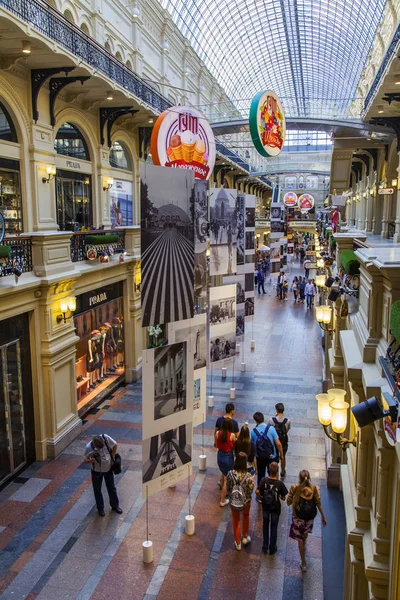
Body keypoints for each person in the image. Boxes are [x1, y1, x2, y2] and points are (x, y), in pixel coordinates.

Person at [287, 470, 327, 572]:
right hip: (309, 519)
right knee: (304, 537)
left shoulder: (295, 488)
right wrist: (323, 516)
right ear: (309, 478)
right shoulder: (313, 488)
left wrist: (292, 496)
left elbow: (288, 502)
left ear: (299, 478)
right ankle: (304, 542)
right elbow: (318, 503)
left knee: (300, 540)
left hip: (298, 519)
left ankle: (303, 562)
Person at [84, 435, 123, 516]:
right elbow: (85, 459)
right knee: (97, 490)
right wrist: (89, 460)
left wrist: (112, 456)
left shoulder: (105, 438)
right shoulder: (88, 447)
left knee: (111, 488)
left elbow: (115, 445)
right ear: (94, 445)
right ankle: (100, 508)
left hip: (108, 469)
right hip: (96, 471)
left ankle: (115, 505)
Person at [251, 412, 285, 501]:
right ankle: (273, 492)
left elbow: (253, 447)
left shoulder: (253, 432)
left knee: (261, 476)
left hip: (260, 457)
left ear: (256, 420)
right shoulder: (271, 429)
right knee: (272, 474)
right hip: (271, 456)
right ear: (263, 418)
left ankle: (261, 495)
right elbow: (278, 444)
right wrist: (281, 455)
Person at [257, 461, 288, 554]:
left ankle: (265, 545)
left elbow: (257, 491)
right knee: (274, 527)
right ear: (277, 471)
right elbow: (283, 497)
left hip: (266, 507)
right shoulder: (279, 484)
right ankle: (272, 547)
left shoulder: (263, 480)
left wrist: (262, 497)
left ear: (268, 471)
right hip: (275, 508)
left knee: (265, 525)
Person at [226, 452, 254, 550]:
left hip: (234, 500)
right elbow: (251, 489)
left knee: (236, 520)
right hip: (246, 501)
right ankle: (245, 536)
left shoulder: (230, 473)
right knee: (246, 516)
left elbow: (228, 488)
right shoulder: (248, 476)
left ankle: (238, 543)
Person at [215, 418, 236, 507]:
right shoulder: (232, 435)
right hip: (228, 456)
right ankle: (222, 500)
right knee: (227, 479)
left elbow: (216, 444)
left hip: (220, 455)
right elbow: (234, 446)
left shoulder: (217, 433)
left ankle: (220, 482)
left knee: (224, 473)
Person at [268, 403, 291, 476]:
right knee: (283, 456)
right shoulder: (287, 421)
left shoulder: (271, 420)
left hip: (274, 442)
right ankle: (283, 470)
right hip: (284, 442)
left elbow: (269, 430)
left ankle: (274, 470)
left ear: (276, 410)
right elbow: (287, 430)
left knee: (274, 456)